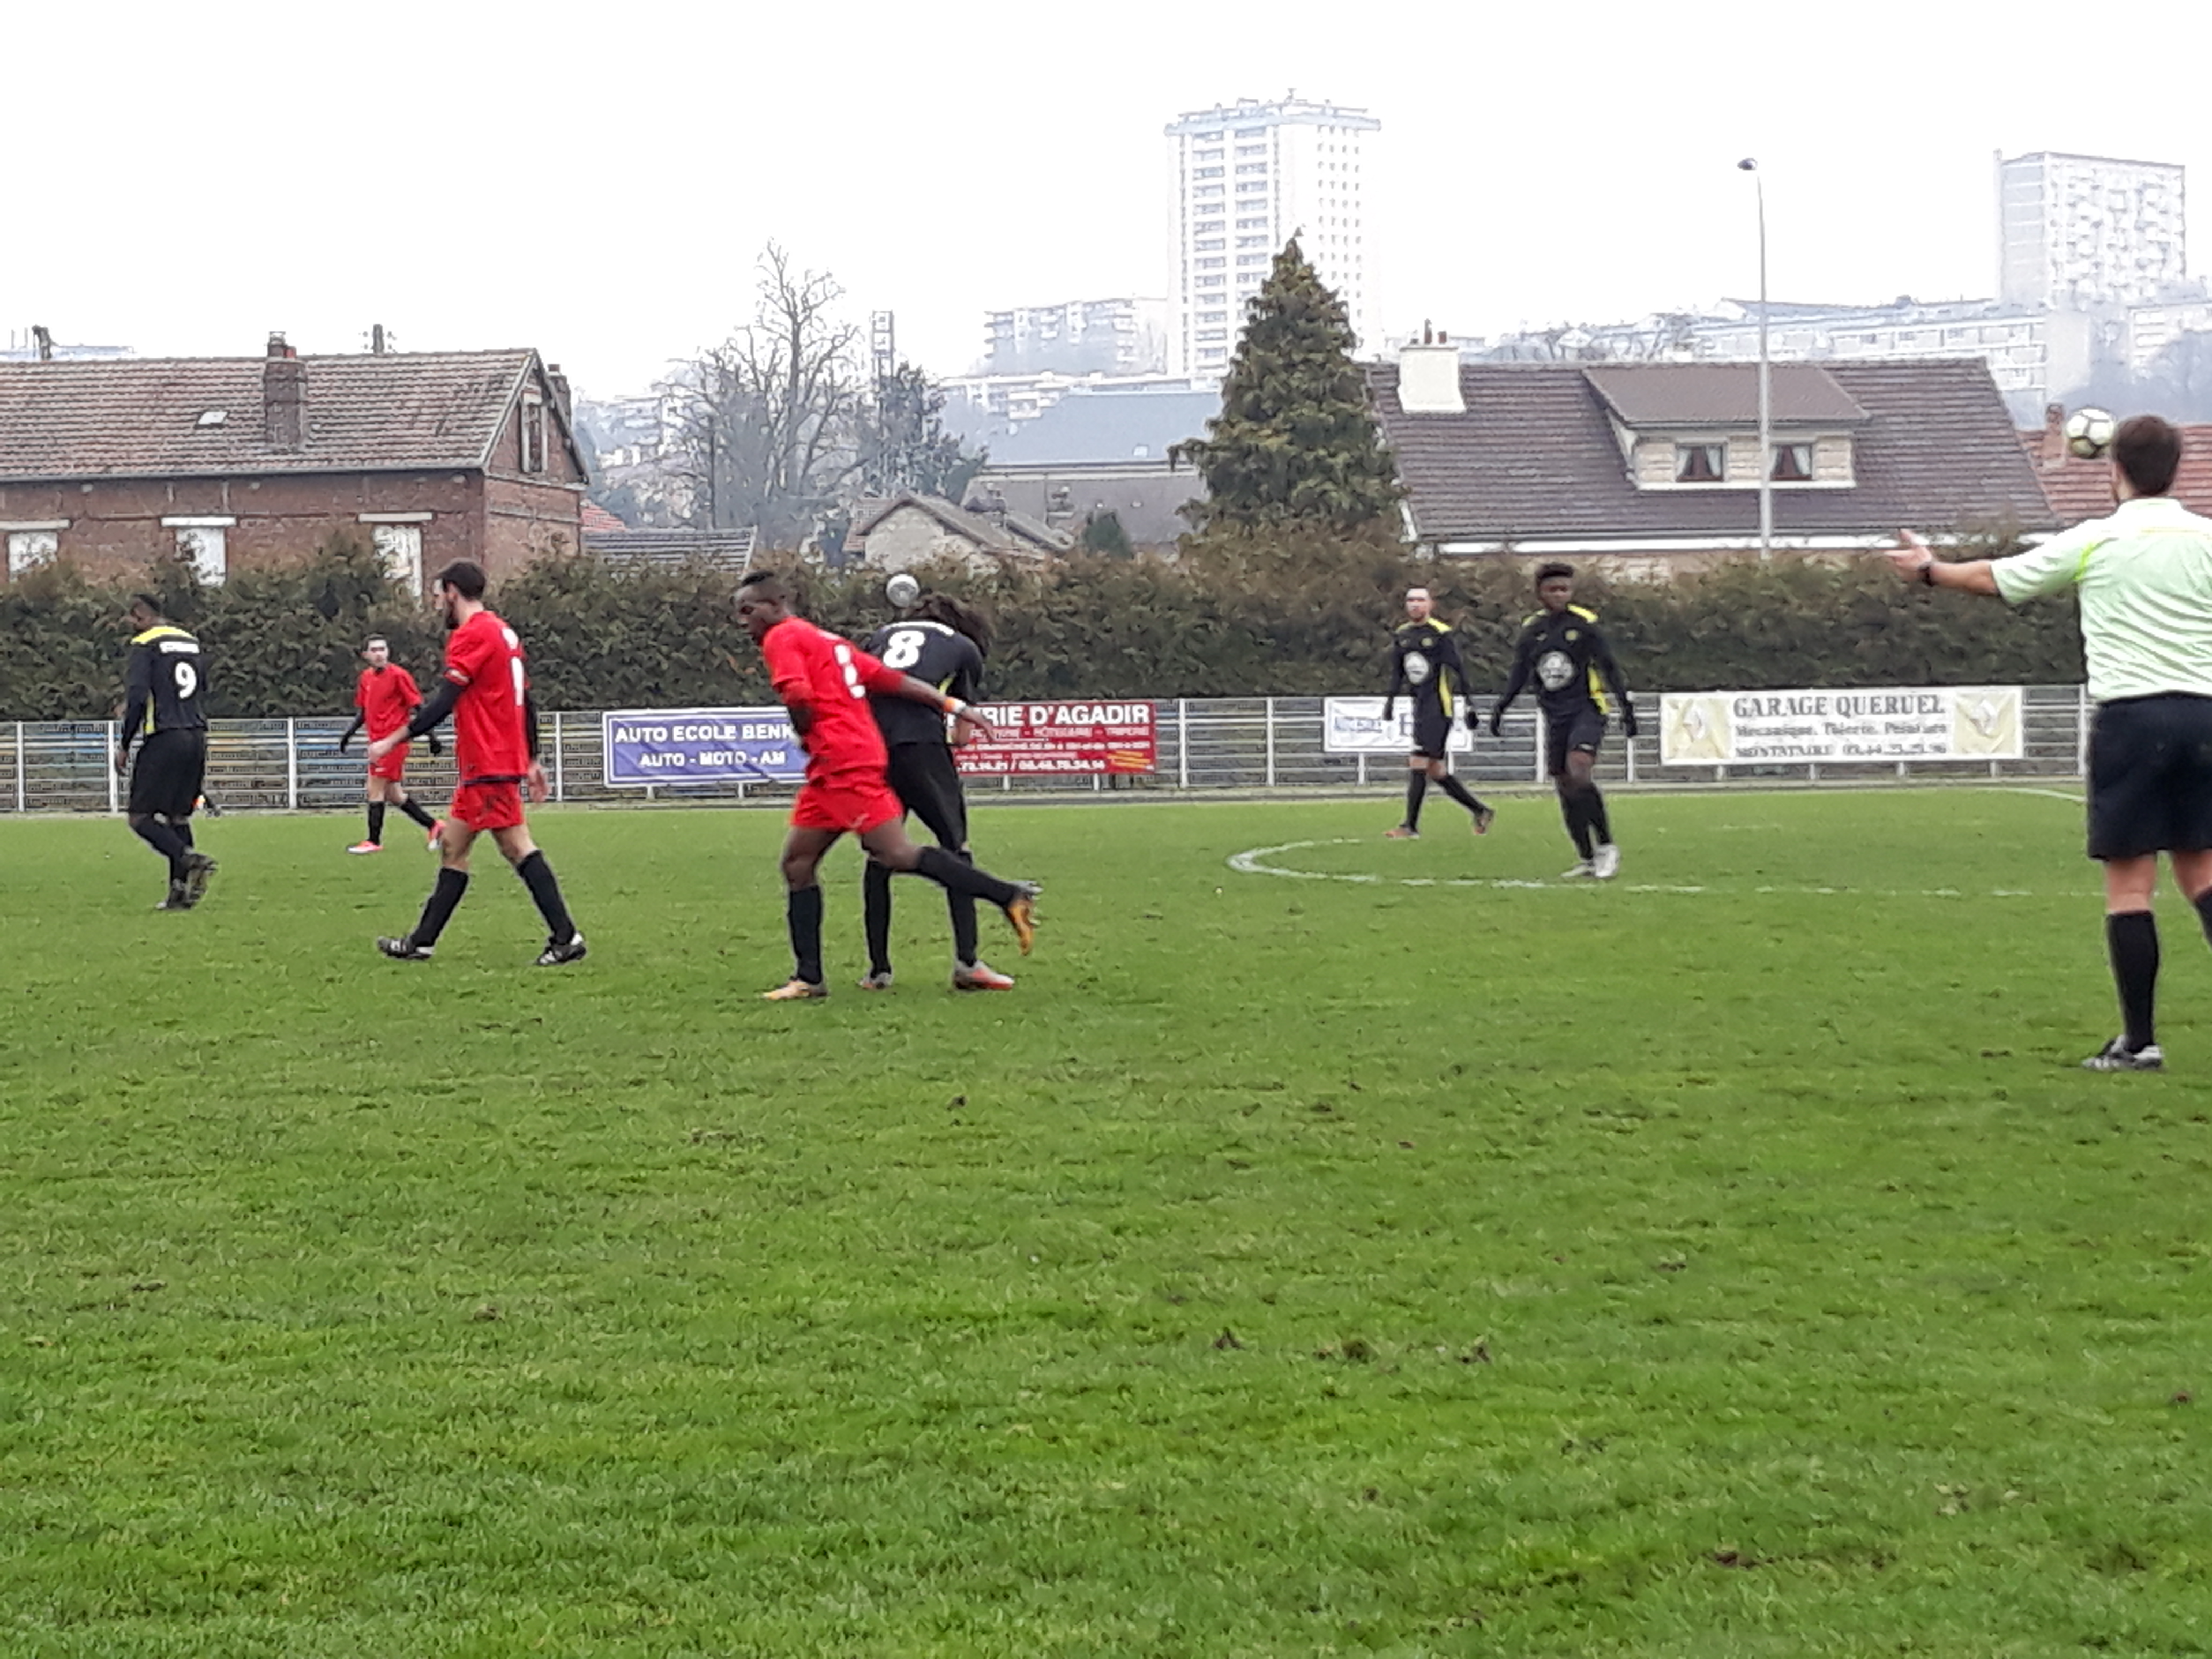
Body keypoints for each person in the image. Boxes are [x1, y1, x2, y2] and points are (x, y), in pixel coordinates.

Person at [1884, 414, 2212, 1071]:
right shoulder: (2207, 539)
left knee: (2131, 889)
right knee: (2203, 875)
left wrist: (1929, 571)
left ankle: (2139, 1043)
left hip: (2132, 719)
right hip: (2205, 719)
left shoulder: (2097, 539)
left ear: (2114, 470)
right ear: (2176, 469)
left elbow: (1998, 579)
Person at [736, 569, 1038, 1001]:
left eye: (748, 610)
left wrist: (806, 733)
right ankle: (809, 979)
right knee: (798, 865)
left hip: (844, 763)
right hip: (841, 764)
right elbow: (891, 680)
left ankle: (1007, 895)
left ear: (776, 604)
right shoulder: (828, 641)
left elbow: (798, 696)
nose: (743, 621)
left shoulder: (782, 638)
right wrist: (952, 705)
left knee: (894, 854)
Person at [366, 562, 586, 966]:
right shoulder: (503, 631)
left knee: (515, 847)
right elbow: (526, 701)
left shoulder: (472, 635)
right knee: (455, 847)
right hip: (493, 762)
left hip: (488, 762)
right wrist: (531, 758)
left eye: (438, 595)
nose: (438, 604)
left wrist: (391, 740)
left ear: (453, 591)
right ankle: (421, 942)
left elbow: (444, 701)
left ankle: (566, 938)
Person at [857, 592, 1017, 991]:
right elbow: (962, 734)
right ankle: (968, 963)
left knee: (880, 854)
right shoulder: (963, 647)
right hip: (921, 747)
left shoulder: (881, 635)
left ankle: (878, 970)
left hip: (872, 746)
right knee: (955, 849)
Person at [1490, 563, 1637, 879]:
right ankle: (1587, 857)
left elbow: (1609, 667)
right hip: (1554, 715)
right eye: (1553, 590)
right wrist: (1502, 707)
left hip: (1588, 709)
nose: (1559, 595)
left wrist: (1626, 708)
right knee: (1565, 786)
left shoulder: (1585, 624)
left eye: (1564, 589)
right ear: (1539, 593)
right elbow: (1520, 671)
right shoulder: (1533, 629)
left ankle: (1607, 846)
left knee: (1579, 771)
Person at [113, 594, 216, 910]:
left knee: (139, 817)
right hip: (196, 735)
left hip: (164, 737)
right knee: (177, 816)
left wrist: (125, 743)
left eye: (132, 619)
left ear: (140, 615)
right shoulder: (190, 642)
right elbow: (201, 688)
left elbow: (138, 695)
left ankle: (188, 859)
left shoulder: (145, 644)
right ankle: (179, 895)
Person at [1381, 586, 1494, 839]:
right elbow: (1398, 672)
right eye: (1411, 600)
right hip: (1419, 706)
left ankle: (1410, 826)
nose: (1415, 604)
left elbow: (1459, 670)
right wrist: (1390, 702)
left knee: (1418, 761)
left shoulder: (1441, 634)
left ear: (1431, 605)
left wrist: (1469, 704)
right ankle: (1480, 810)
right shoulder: (1402, 635)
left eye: (1421, 600)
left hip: (1438, 707)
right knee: (1435, 770)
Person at [337, 635, 445, 854]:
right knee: (395, 795)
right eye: (374, 650)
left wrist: (432, 737)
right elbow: (365, 710)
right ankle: (435, 826)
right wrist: (349, 733)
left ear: (388, 652)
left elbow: (419, 708)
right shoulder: (366, 678)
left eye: (382, 649)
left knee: (374, 788)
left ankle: (373, 841)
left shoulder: (399, 676)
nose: (379, 654)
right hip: (376, 742)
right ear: (366, 655)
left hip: (393, 742)